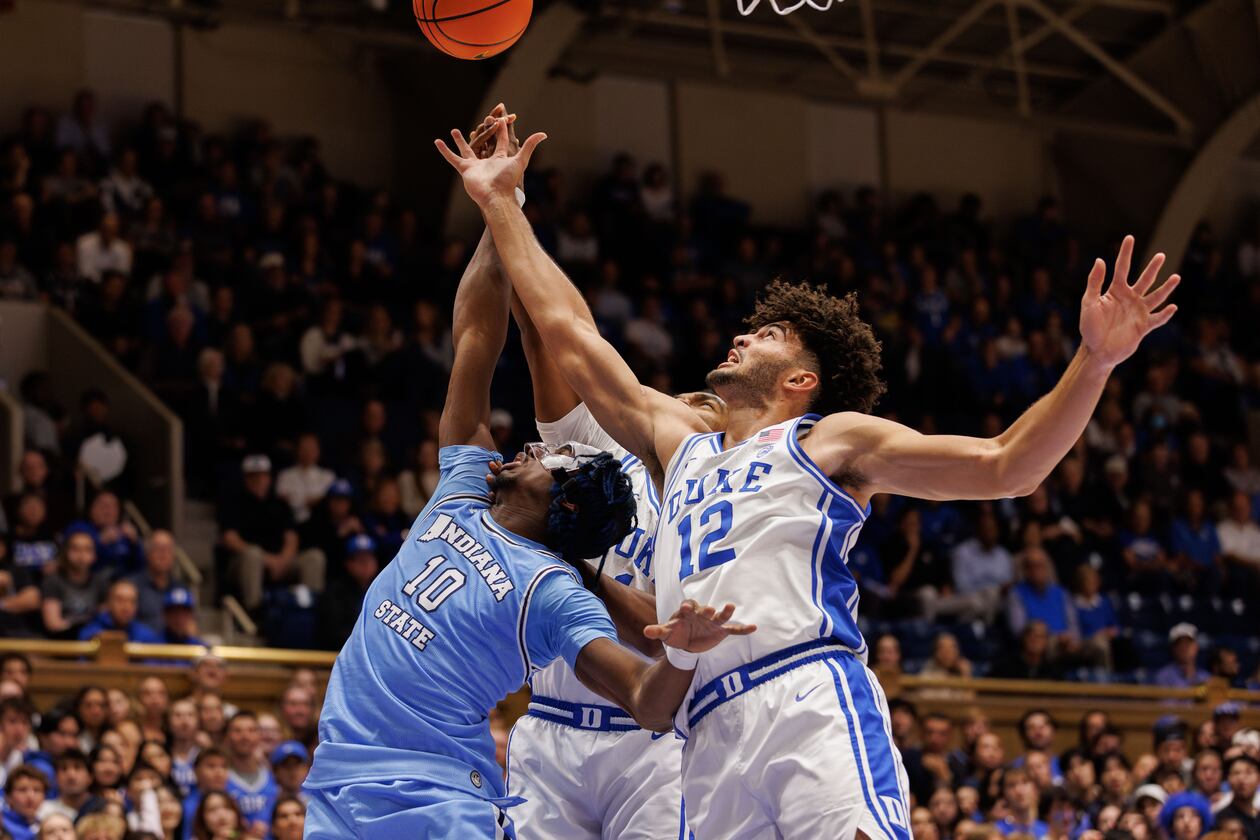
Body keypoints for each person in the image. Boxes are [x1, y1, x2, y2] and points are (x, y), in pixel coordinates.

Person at [440, 112, 1179, 838]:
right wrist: (501, 200)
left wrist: (1096, 361)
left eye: (767, 334)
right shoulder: (678, 445)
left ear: (801, 379)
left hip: (805, 693)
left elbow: (1007, 467)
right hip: (706, 726)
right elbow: (569, 334)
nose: (741, 334)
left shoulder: (828, 440)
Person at [303, 154, 752, 840]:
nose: (536, 446)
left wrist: (664, 637)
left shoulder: (706, 512)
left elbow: (650, 662)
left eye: (704, 411)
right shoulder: (507, 475)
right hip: (469, 746)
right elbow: (511, 335)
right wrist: (498, 205)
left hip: (597, 753)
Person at [484, 103, 731, 840]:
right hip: (552, 723)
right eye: (686, 395)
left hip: (651, 740)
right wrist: (506, 203)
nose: (688, 404)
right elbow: (548, 332)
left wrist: (582, 573)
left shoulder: (723, 495)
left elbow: (664, 636)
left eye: (707, 406)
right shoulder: (599, 443)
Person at [40, 531, 108, 639]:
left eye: (87, 550)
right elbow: (53, 623)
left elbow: (105, 619)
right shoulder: (53, 581)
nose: (81, 555)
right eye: (76, 549)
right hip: (62, 642)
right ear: (66, 552)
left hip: (93, 641)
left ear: (94, 555)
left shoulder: (100, 582)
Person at [222, 712, 276, 837]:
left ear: (259, 736)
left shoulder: (275, 774)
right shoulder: (220, 778)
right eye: (237, 731)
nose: (245, 736)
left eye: (251, 730)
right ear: (227, 737)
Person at [77, 580, 160, 643]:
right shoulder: (90, 634)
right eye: (120, 600)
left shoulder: (147, 636)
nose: (126, 607)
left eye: (132, 601)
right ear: (108, 603)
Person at [1156, 624, 1210, 688]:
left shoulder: (1206, 677)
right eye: (1179, 644)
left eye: (1188, 643)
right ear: (1173, 648)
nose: (1184, 648)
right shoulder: (1163, 676)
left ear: (1196, 646)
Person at [2, 764, 48, 840]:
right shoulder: (2, 824)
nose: (30, 796)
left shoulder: (46, 826)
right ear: (8, 796)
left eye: (37, 790)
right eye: (22, 790)